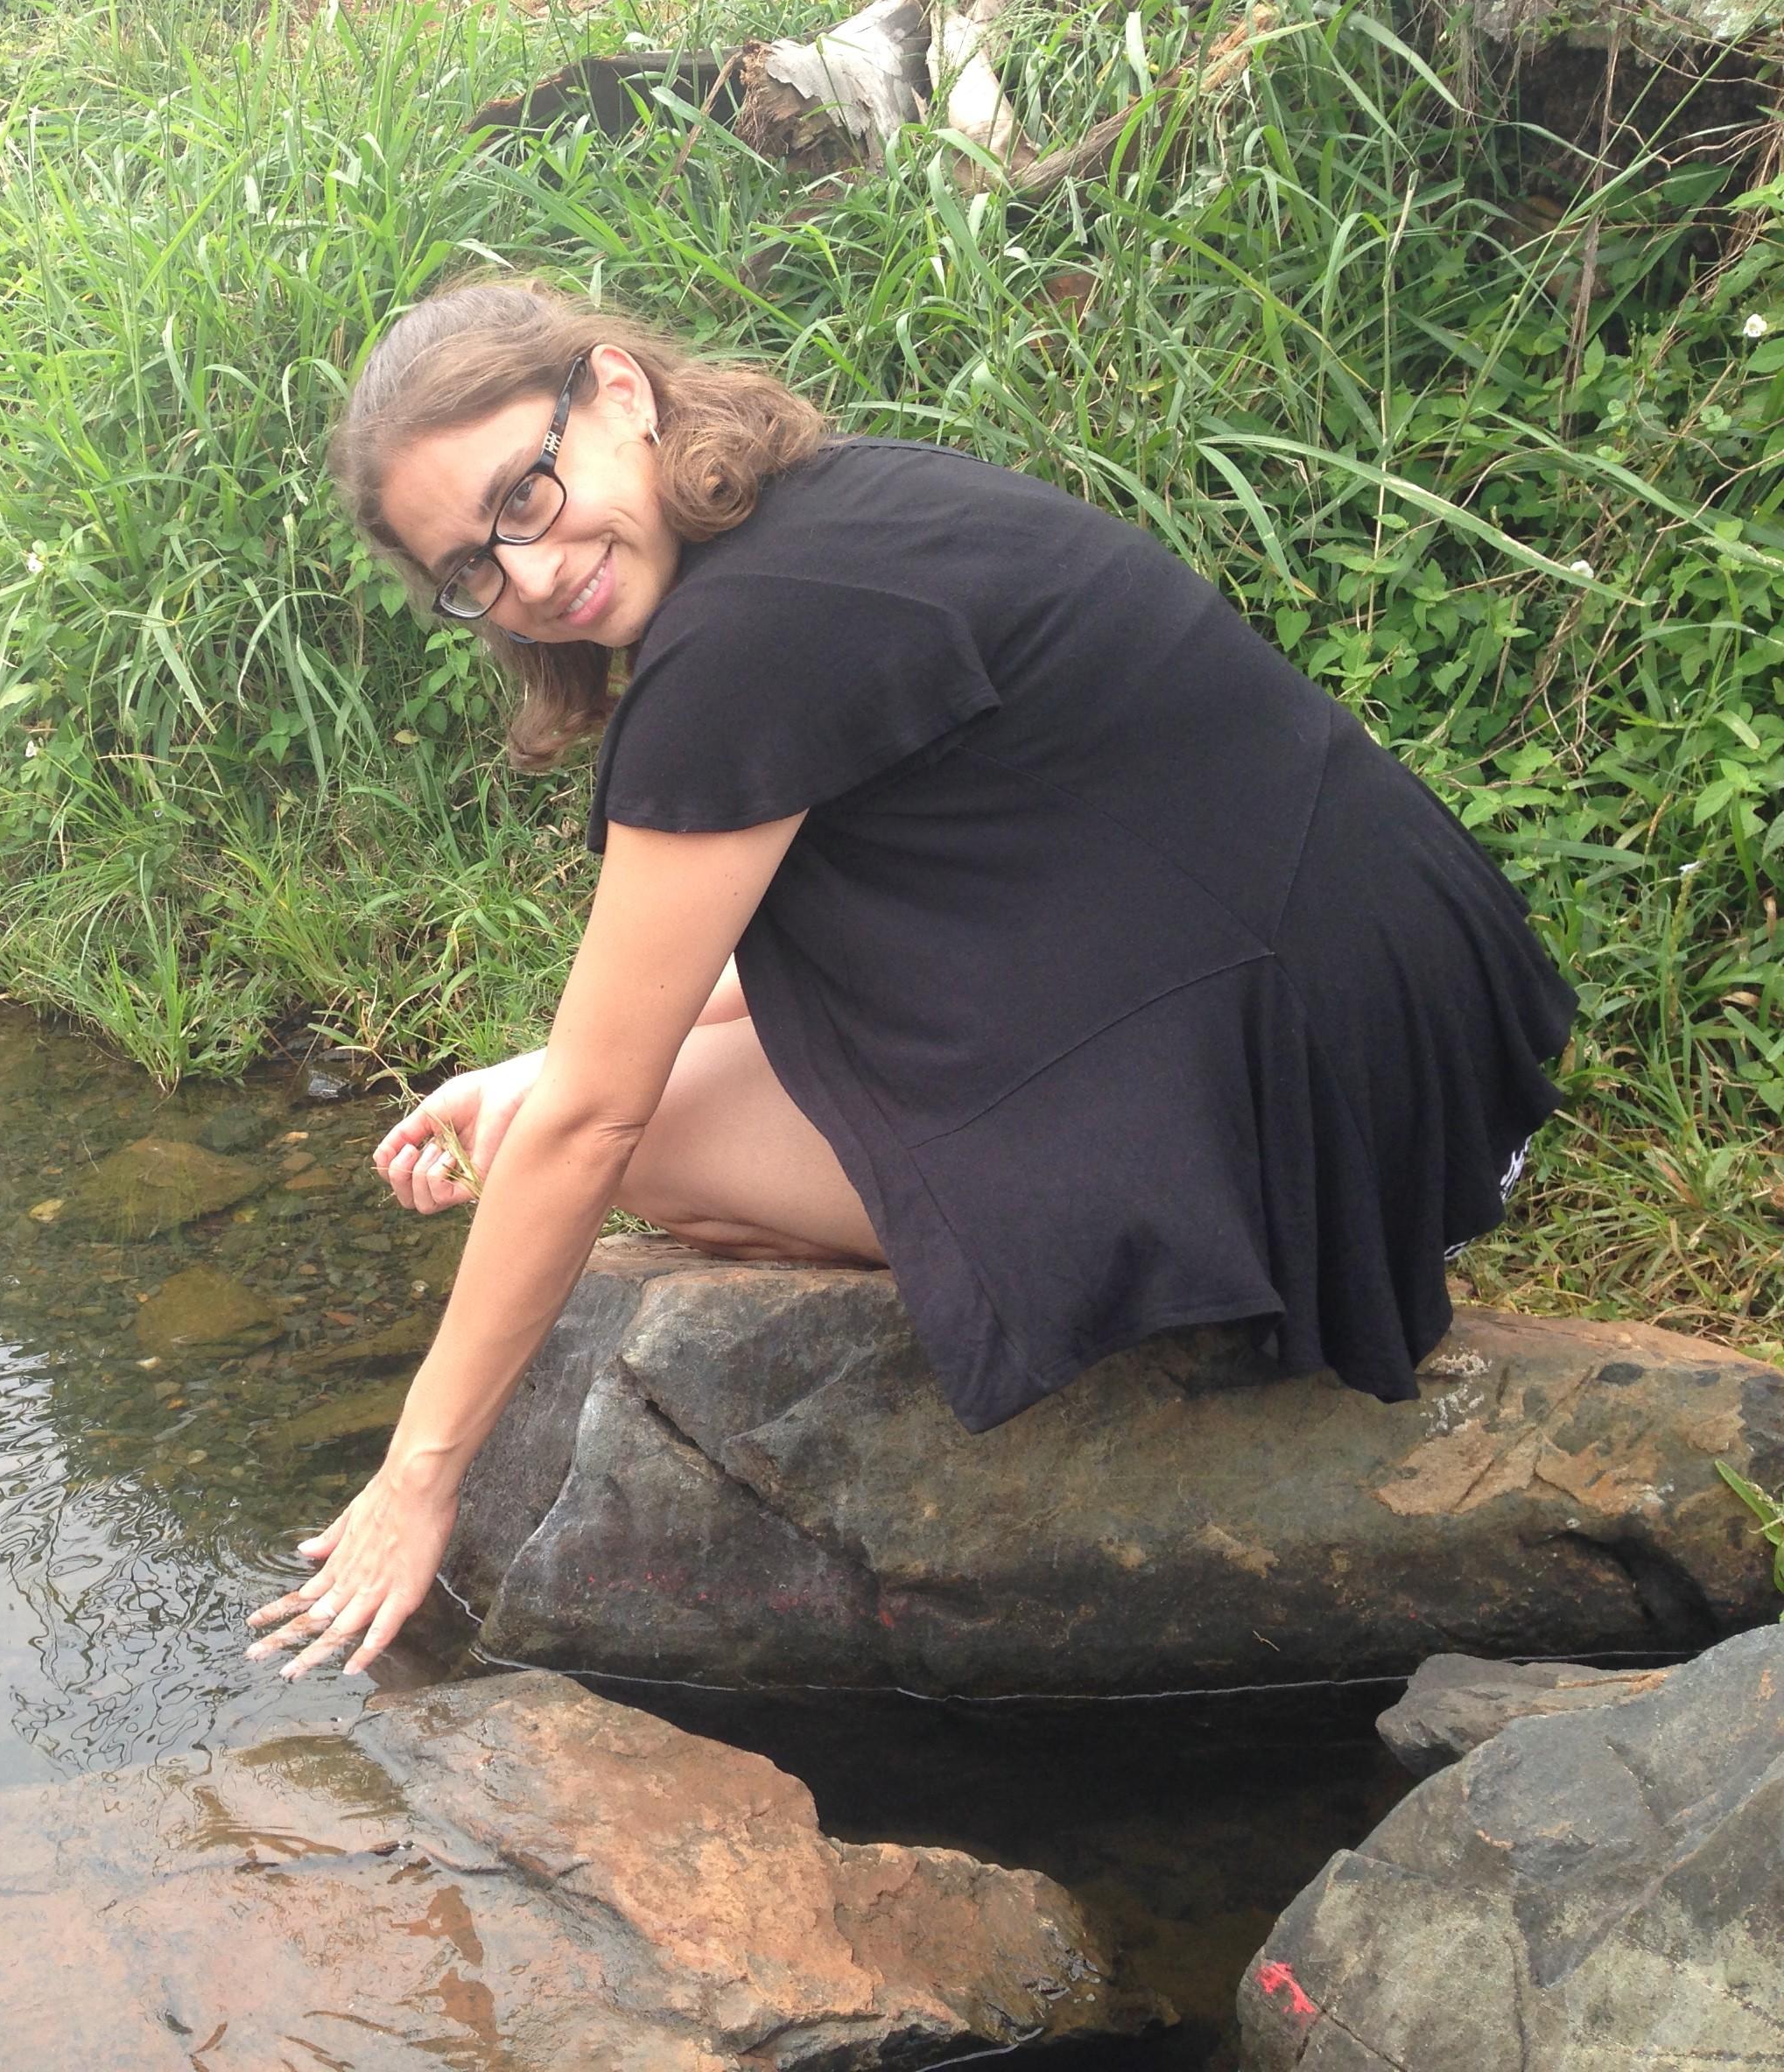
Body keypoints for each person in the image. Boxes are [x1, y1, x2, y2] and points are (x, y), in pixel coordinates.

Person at [244, 277, 1574, 1681]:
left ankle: (1135, 1277)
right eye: (471, 570)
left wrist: (418, 1477)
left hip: (1326, 1117)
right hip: (1412, 1024)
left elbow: (599, 1124)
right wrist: (545, 1072)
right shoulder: (832, 508)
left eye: (524, 493)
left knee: (652, 1144)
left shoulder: (739, 647)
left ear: (619, 391)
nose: (526, 574)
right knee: (587, 1105)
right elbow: (827, 946)